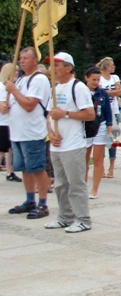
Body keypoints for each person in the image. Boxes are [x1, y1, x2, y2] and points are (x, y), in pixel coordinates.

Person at [44, 52, 95, 233]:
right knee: (60, 184)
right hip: (57, 145)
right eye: (53, 65)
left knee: (76, 184)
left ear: (68, 68)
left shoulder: (78, 87)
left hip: (73, 144)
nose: (53, 68)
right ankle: (65, 216)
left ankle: (83, 219)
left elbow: (89, 114)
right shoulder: (55, 88)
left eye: (57, 65)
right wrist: (51, 133)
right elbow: (49, 115)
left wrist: (65, 114)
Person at [2, 47, 51, 219]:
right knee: (24, 169)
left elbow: (30, 105)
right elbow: (17, 103)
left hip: (32, 132)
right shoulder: (22, 80)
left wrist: (14, 91)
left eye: (25, 58)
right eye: (20, 58)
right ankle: (30, 199)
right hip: (17, 132)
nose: (21, 61)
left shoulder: (39, 80)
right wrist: (5, 106)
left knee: (37, 168)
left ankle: (43, 203)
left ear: (34, 60)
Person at [84, 66, 113, 199]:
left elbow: (107, 111)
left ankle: (94, 189)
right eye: (93, 79)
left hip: (100, 125)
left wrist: (109, 127)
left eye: (98, 79)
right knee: (84, 158)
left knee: (98, 159)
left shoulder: (102, 93)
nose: (95, 82)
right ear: (86, 78)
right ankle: (83, 185)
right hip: (85, 127)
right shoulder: (81, 91)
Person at [98, 57, 121, 178]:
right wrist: (111, 93)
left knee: (113, 139)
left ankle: (111, 167)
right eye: (112, 65)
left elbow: (118, 92)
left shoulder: (115, 77)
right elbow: (100, 92)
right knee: (101, 138)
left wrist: (107, 93)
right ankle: (101, 166)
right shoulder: (100, 78)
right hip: (102, 110)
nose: (114, 67)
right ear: (107, 67)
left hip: (114, 110)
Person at [0, 63, 21, 182]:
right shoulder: (1, 87)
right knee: (2, 149)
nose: (17, 74)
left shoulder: (14, 87)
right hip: (3, 122)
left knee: (10, 148)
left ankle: (10, 171)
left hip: (11, 122)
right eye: (15, 71)